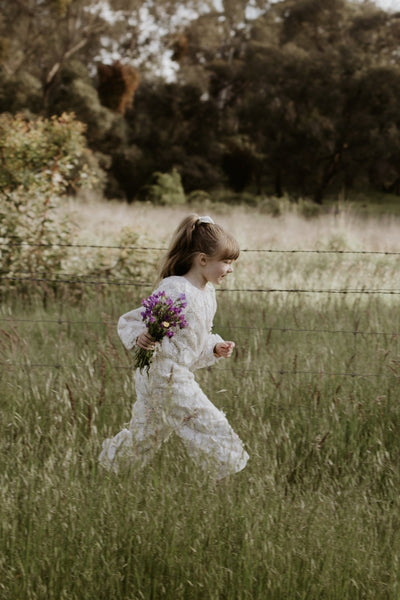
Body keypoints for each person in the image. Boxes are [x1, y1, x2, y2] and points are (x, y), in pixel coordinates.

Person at [99, 214, 249, 480]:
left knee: (145, 436)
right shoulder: (176, 288)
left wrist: (214, 348)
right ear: (203, 260)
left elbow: (191, 342)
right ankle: (229, 476)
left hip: (168, 374)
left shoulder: (207, 293)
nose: (230, 268)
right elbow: (135, 321)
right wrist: (141, 337)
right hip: (166, 376)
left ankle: (110, 471)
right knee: (211, 423)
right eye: (226, 262)